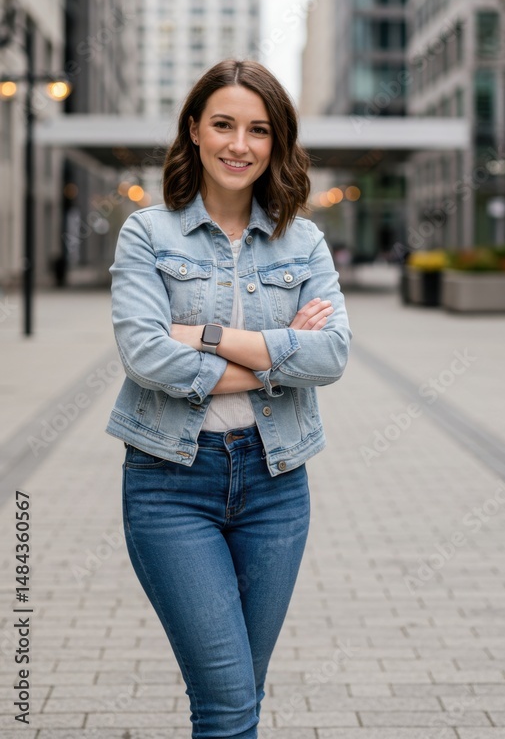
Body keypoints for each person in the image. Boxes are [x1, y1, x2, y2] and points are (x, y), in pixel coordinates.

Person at [105, 58, 352, 738]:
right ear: (193, 129)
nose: (238, 144)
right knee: (227, 704)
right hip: (170, 485)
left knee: (244, 690)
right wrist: (278, 354)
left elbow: (330, 355)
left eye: (258, 129)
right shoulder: (148, 234)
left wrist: (205, 335)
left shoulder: (302, 242)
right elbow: (146, 354)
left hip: (276, 487)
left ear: (276, 143)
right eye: (222, 125)